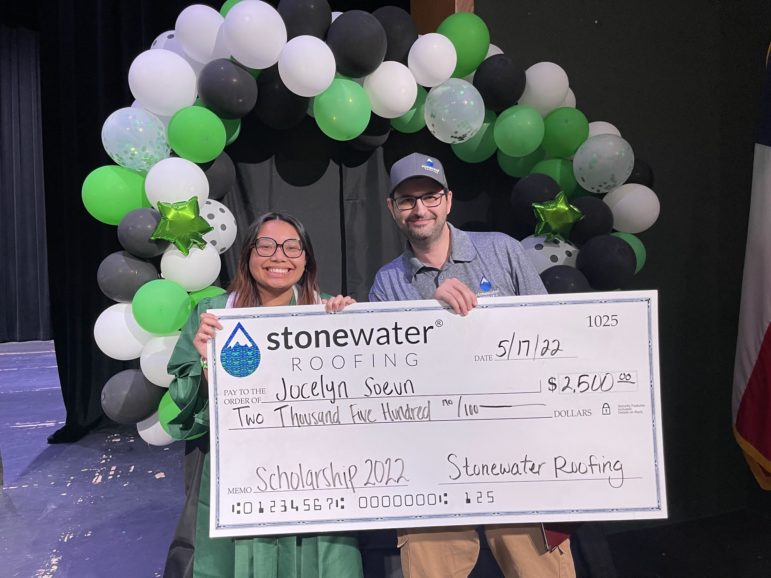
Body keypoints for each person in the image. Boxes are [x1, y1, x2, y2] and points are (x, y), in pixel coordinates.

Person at [369, 153, 576, 578]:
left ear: (448, 200)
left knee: (539, 568)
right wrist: (430, 315)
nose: (419, 209)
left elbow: (550, 335)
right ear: (392, 209)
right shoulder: (387, 283)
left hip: (517, 448)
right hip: (432, 457)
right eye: (407, 200)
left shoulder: (502, 250)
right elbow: (387, 378)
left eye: (430, 197)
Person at [164, 211, 363, 578]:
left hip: (312, 478)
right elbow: (186, 401)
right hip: (237, 476)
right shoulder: (214, 315)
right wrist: (207, 365)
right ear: (248, 255)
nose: (279, 257)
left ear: (306, 259)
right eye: (266, 246)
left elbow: (358, 399)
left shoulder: (326, 312)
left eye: (292, 248)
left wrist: (354, 332)